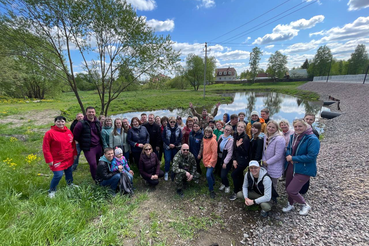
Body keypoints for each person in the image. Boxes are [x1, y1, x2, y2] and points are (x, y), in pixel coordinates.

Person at [283, 119, 320, 216]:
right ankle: (290, 204)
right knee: (288, 186)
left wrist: (294, 158)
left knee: (292, 190)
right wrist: (288, 156)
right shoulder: (293, 136)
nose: (297, 128)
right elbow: (289, 149)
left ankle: (304, 204)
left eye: (300, 126)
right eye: (295, 126)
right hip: (291, 166)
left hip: (304, 168)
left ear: (306, 126)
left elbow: (312, 156)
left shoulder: (312, 139)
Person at [43, 116, 77, 198]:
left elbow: (72, 144)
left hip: (68, 157)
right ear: (55, 122)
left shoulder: (68, 131)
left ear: (65, 122)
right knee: (58, 175)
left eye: (62, 121)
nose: (60, 123)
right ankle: (52, 190)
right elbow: (46, 148)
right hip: (57, 159)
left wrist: (75, 154)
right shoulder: (49, 133)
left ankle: (70, 184)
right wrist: (49, 160)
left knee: (69, 171)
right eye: (58, 121)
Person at [73, 106, 103, 181]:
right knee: (93, 164)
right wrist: (84, 142)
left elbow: (100, 133)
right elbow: (75, 136)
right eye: (89, 112)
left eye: (92, 112)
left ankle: (102, 176)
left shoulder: (98, 122)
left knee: (100, 163)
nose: (91, 113)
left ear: (95, 113)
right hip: (89, 148)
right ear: (86, 113)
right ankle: (96, 179)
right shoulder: (81, 124)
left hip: (98, 146)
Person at [262, 120, 286, 189]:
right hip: (265, 162)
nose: (270, 128)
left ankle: (273, 197)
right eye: (269, 126)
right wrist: (264, 160)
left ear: (276, 129)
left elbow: (278, 155)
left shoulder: (279, 139)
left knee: (273, 182)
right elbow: (263, 150)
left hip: (274, 164)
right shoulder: (265, 136)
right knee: (266, 180)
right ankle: (266, 195)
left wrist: (267, 162)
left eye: (273, 127)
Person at [230, 121, 250, 201]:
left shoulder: (245, 138)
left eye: (242, 127)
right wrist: (234, 159)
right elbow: (234, 150)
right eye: (239, 126)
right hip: (237, 159)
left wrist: (239, 147)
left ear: (244, 129)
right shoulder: (235, 135)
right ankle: (242, 188)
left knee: (234, 175)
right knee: (239, 175)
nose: (240, 128)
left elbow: (246, 152)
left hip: (243, 161)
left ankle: (236, 191)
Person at [162, 116, 182, 181]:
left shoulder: (179, 129)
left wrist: (175, 144)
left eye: (173, 122)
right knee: (167, 160)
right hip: (167, 147)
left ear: (175, 122)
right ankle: (167, 172)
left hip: (176, 147)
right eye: (171, 122)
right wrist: (169, 144)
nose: (172, 123)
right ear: (169, 122)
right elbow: (163, 137)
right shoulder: (165, 128)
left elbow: (180, 138)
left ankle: (175, 171)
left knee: (175, 160)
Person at [200, 127, 218, 198]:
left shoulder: (213, 141)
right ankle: (212, 182)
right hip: (206, 159)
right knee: (209, 173)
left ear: (211, 133)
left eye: (209, 132)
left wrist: (211, 162)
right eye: (206, 132)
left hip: (211, 161)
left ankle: (211, 190)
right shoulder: (204, 139)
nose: (207, 134)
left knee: (207, 175)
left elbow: (214, 153)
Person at [218, 125, 234, 193]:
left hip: (226, 158)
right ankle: (223, 184)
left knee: (223, 174)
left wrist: (225, 162)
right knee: (220, 172)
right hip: (219, 156)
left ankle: (227, 186)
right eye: (226, 129)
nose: (226, 131)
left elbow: (230, 153)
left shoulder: (231, 140)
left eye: (228, 130)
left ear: (230, 132)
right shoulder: (221, 136)